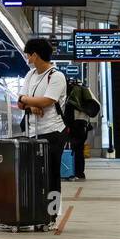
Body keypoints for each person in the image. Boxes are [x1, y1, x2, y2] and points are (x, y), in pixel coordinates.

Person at [16, 38, 67, 220]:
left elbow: (47, 101)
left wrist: (25, 99)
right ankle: (36, 211)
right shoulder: (30, 75)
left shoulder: (56, 76)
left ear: (35, 55)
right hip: (31, 133)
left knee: (52, 176)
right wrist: (29, 104)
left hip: (53, 133)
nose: (27, 58)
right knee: (33, 176)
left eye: (28, 55)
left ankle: (52, 215)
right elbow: (20, 102)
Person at [64, 79, 95, 181]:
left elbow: (68, 115)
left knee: (72, 149)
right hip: (83, 126)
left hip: (74, 125)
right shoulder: (85, 96)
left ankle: (72, 172)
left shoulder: (72, 97)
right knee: (79, 150)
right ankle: (80, 172)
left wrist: (66, 126)